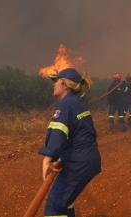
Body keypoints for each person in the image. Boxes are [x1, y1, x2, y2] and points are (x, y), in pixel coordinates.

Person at [39, 68, 101, 217]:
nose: (54, 85)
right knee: (65, 202)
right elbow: (80, 134)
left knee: (55, 207)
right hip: (84, 159)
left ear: (64, 84)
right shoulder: (78, 103)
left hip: (78, 163)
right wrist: (62, 156)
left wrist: (48, 158)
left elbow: (58, 131)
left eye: (56, 82)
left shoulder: (66, 106)